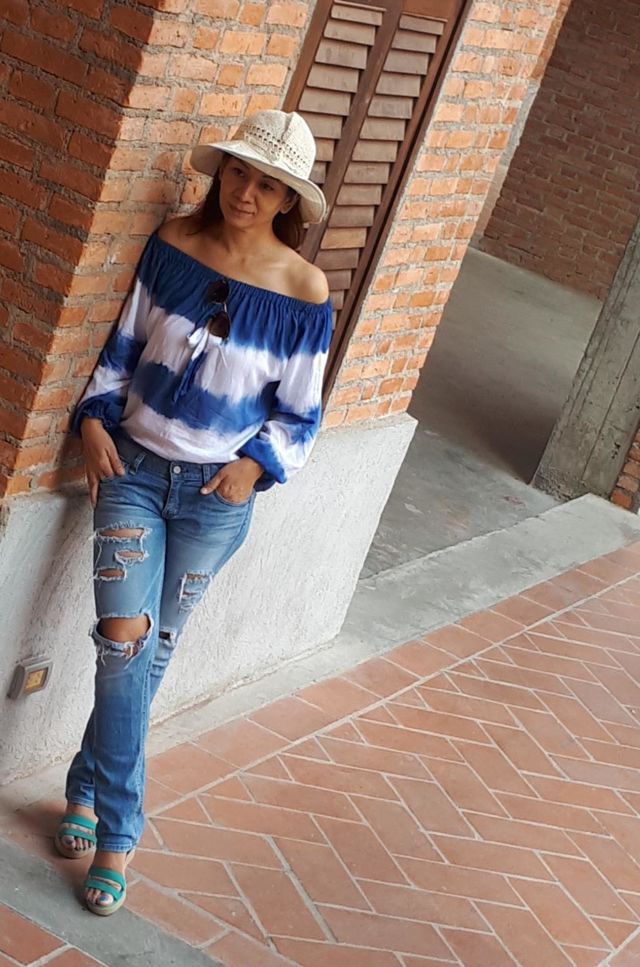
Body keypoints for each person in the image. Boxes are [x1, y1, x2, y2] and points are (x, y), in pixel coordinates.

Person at [54, 110, 332, 916]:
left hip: (215, 498)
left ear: (290, 200)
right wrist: (94, 419)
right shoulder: (173, 243)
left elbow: (300, 413)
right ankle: (118, 833)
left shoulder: (304, 290)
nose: (248, 192)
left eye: (270, 184)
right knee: (123, 639)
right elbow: (121, 347)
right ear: (224, 172)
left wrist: (254, 466)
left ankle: (84, 786)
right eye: (240, 172)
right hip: (133, 474)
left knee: (149, 654)